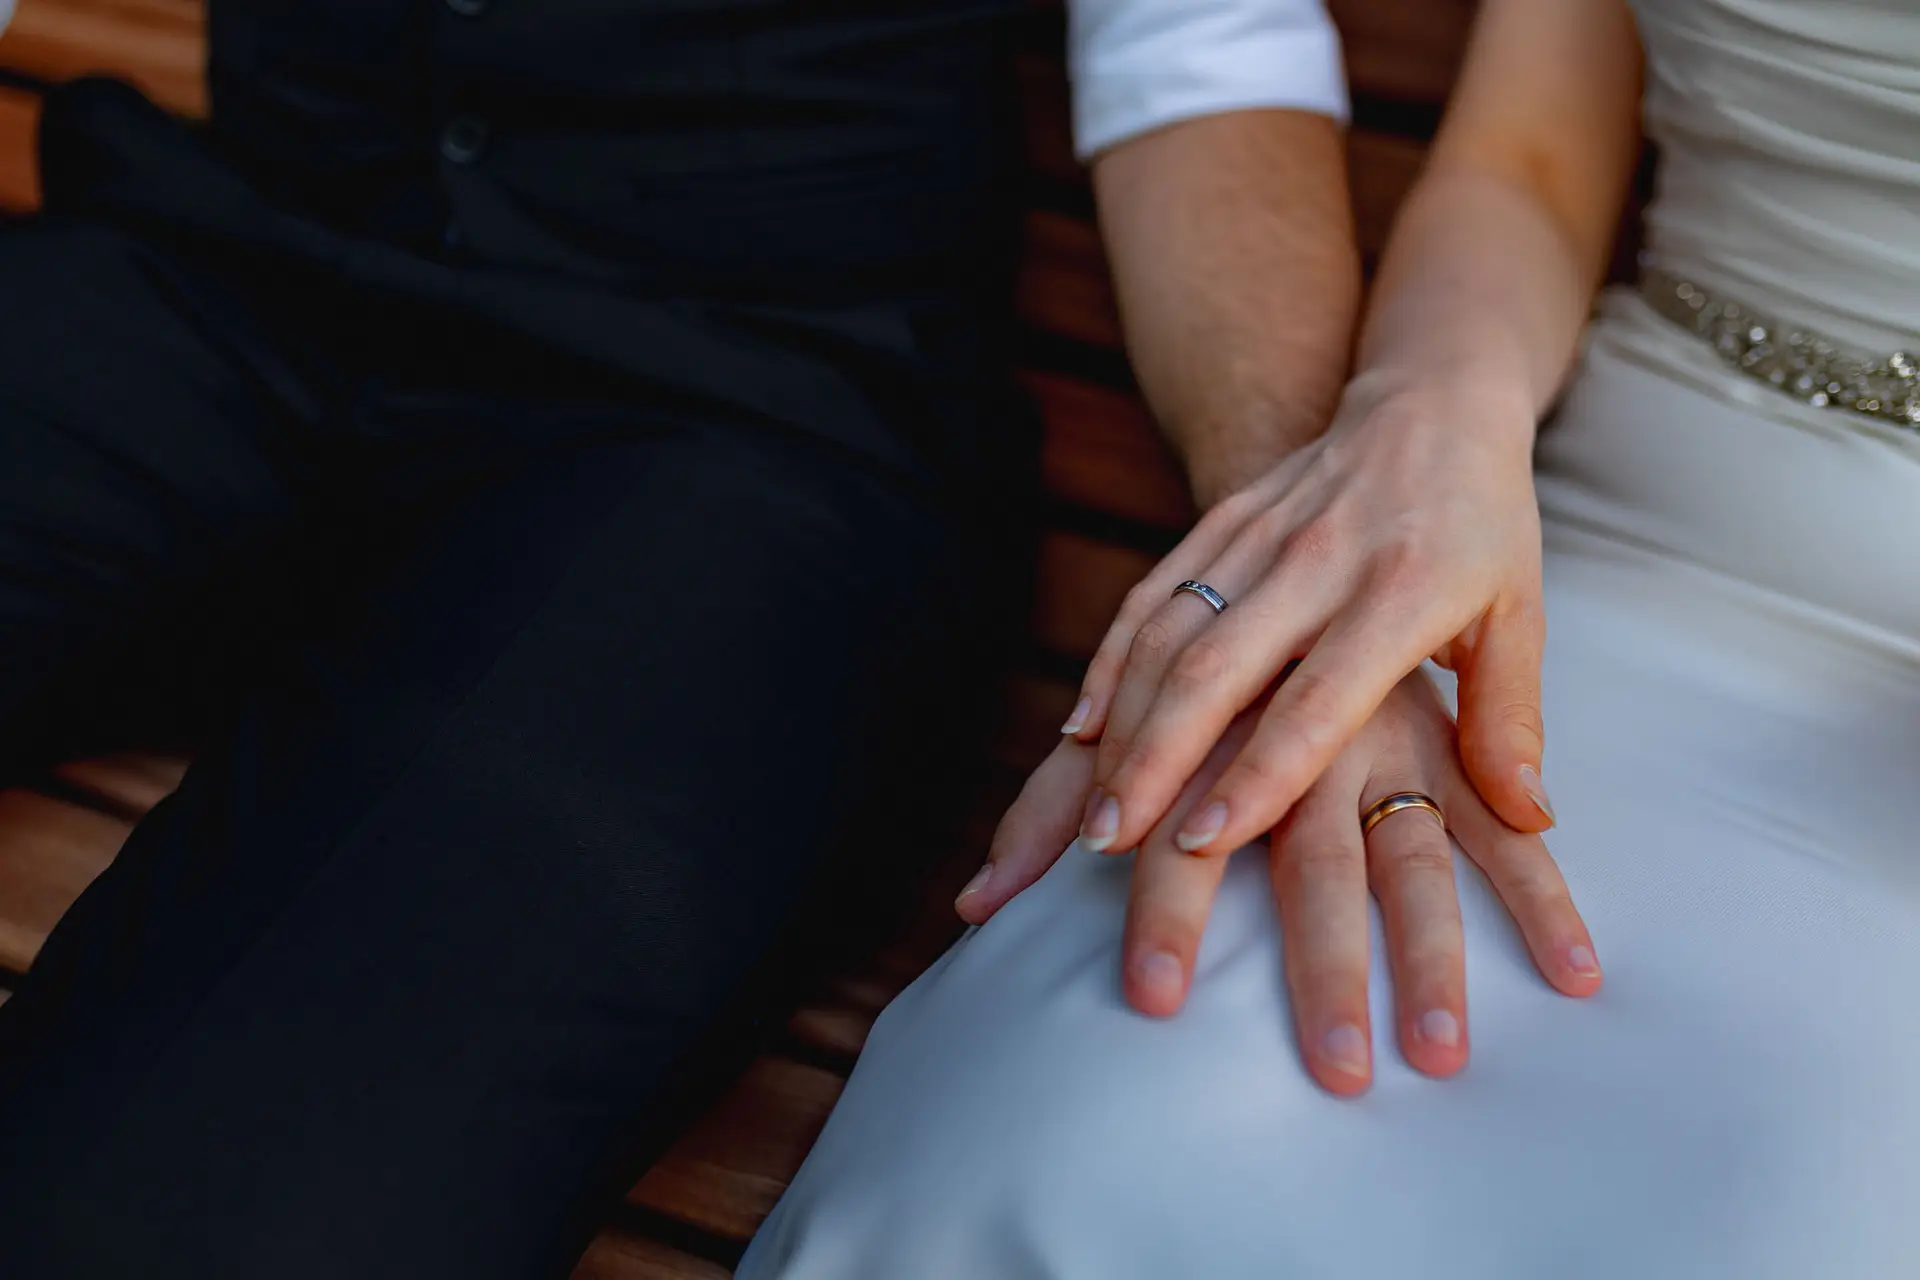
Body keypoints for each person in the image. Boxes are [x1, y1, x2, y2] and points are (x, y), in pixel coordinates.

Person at [0, 1, 1517, 1278]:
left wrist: (1286, 568)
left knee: (212, 1199)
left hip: (745, 425)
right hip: (224, 266)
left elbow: (1197, 50)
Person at [740, 0, 1920, 1274]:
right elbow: (1522, 161)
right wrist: (1424, 416)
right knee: (1071, 1129)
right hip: (1575, 561)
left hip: (1879, 760)